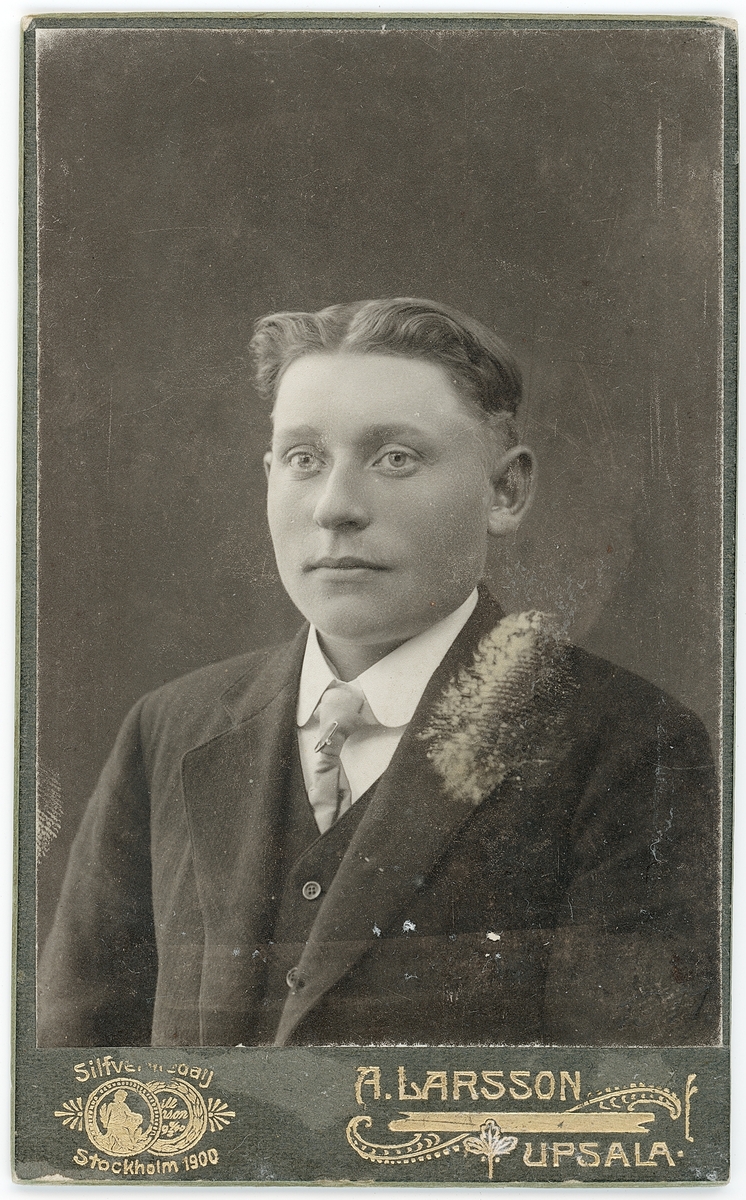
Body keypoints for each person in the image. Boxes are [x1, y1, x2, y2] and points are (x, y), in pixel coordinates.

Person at [38, 297, 719, 1049]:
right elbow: (78, 1074)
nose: (334, 507)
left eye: (395, 458)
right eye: (304, 460)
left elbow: (623, 1098)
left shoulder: (628, 746)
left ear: (505, 492)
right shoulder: (169, 728)